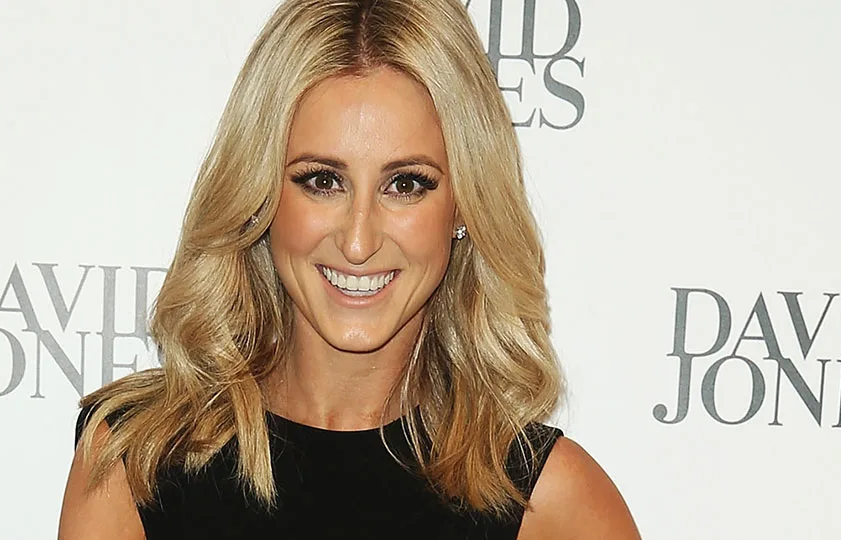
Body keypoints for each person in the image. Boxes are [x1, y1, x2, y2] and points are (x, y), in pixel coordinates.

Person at [58, 0, 640, 538]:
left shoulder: (550, 503)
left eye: (406, 184)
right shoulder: (134, 458)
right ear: (261, 194)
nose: (358, 240)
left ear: (463, 206)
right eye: (323, 181)